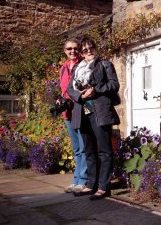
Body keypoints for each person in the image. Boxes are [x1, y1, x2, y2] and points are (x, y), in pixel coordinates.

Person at [67, 37, 120, 200]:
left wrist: (95, 90)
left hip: (100, 111)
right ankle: (91, 184)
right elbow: (70, 89)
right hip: (82, 112)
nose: (88, 51)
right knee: (89, 150)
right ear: (81, 53)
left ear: (95, 48)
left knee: (104, 150)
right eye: (84, 49)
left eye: (91, 47)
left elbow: (114, 85)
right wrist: (80, 95)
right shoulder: (77, 68)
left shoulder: (104, 64)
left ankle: (104, 187)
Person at [58, 39, 88, 193]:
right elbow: (63, 89)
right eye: (69, 48)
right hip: (67, 113)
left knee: (83, 147)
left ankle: (83, 180)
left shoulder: (83, 65)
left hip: (79, 110)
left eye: (75, 48)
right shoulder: (63, 68)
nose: (72, 51)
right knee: (76, 148)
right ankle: (76, 179)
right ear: (65, 50)